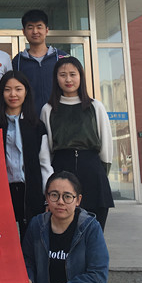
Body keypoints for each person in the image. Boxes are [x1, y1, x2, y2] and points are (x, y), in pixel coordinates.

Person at [40, 56, 114, 229]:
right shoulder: (48, 109)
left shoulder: (95, 106)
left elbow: (106, 145)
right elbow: (46, 151)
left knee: (93, 229)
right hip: (61, 170)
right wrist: (49, 182)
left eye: (73, 74)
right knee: (64, 230)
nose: (68, 79)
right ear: (56, 79)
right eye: (63, 75)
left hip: (93, 172)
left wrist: (102, 173)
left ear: (81, 76)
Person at [0, 71, 53, 240]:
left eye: (18, 89)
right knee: (3, 241)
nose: (13, 94)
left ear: (26, 92)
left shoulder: (36, 126)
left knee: (30, 241)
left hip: (30, 191)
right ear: (1, 93)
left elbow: (44, 164)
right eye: (7, 89)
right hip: (2, 193)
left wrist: (48, 196)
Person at [22, 171, 109, 283]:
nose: (60, 202)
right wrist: (29, 279)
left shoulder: (90, 228)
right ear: (47, 197)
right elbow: (27, 261)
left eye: (67, 196)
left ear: (78, 200)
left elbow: (98, 276)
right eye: (54, 195)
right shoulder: (37, 225)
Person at [12, 10, 68, 117]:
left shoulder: (61, 58)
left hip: (58, 117)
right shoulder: (18, 61)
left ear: (46, 30)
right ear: (23, 32)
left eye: (39, 27)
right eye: (30, 27)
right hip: (29, 119)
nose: (35, 31)